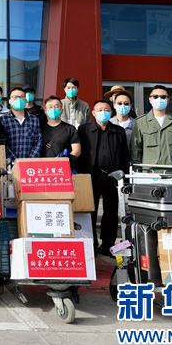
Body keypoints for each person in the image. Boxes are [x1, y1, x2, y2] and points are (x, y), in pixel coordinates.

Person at [76, 99, 129, 256]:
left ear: (111, 112)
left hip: (112, 175)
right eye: (99, 110)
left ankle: (108, 244)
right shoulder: (84, 129)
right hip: (91, 175)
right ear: (93, 112)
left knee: (111, 212)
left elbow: (124, 155)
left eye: (106, 110)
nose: (103, 112)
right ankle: (91, 243)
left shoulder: (118, 131)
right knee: (90, 211)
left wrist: (124, 177)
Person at [131, 84, 172, 168]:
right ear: (150, 100)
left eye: (163, 97)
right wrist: (138, 169)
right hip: (149, 171)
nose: (159, 99)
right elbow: (136, 149)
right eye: (155, 97)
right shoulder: (141, 122)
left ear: (168, 100)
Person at [0, 87, 42, 161]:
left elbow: (38, 142)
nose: (18, 99)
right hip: (9, 163)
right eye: (15, 97)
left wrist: (29, 161)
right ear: (10, 101)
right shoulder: (3, 120)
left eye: (21, 97)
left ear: (25, 100)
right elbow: (2, 143)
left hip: (29, 163)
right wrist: (14, 161)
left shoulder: (34, 120)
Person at [40, 95, 82, 161]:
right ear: (45, 111)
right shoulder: (40, 129)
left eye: (57, 106)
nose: (53, 109)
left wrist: (65, 161)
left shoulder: (70, 129)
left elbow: (77, 150)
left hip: (63, 165)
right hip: (43, 165)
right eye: (50, 107)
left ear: (61, 111)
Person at [105, 85, 136, 149]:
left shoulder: (136, 123)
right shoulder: (108, 122)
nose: (123, 106)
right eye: (119, 103)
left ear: (130, 106)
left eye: (126, 103)